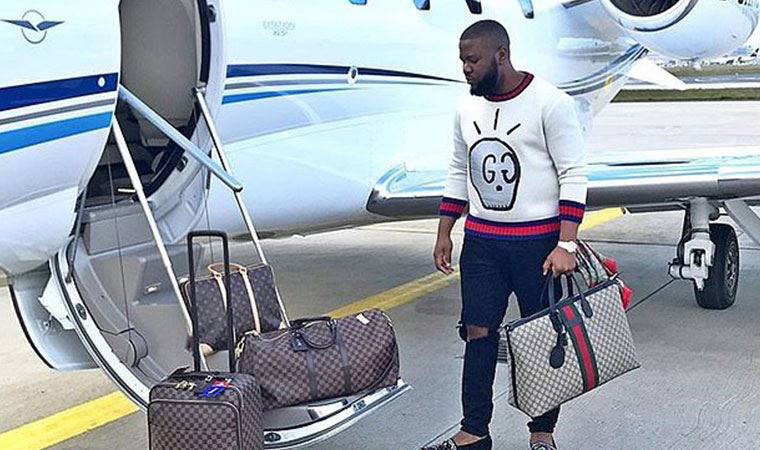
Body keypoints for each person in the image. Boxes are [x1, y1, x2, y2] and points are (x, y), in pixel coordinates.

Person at [425, 20, 587, 450]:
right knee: (477, 332)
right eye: (462, 61)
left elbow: (573, 173)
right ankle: (474, 431)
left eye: (473, 60)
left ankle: (542, 433)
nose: (466, 68)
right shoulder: (466, 107)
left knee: (540, 338)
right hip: (482, 245)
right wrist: (445, 230)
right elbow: (459, 168)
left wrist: (566, 243)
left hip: (539, 246)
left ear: (501, 55)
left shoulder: (550, 103)